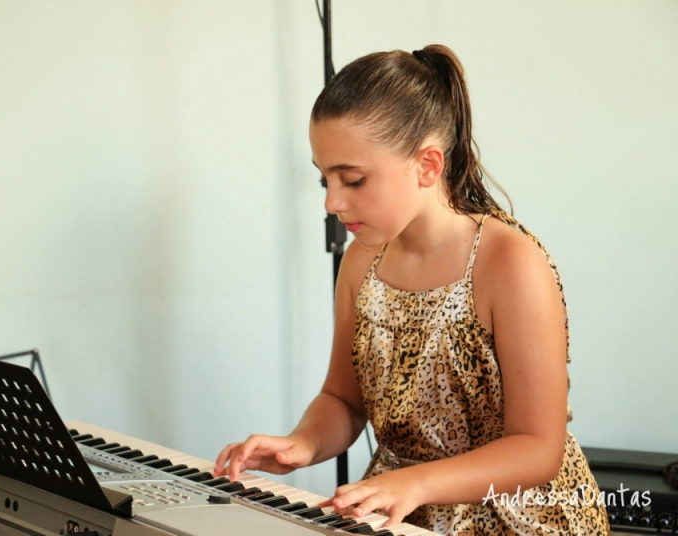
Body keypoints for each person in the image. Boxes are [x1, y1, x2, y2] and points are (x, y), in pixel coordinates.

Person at [214, 45, 610, 535]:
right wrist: (302, 444)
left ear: (427, 165)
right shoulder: (362, 259)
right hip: (404, 509)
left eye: (353, 179)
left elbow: (537, 447)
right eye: (325, 181)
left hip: (518, 517)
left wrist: (415, 484)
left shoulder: (509, 262)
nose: (334, 202)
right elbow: (343, 398)